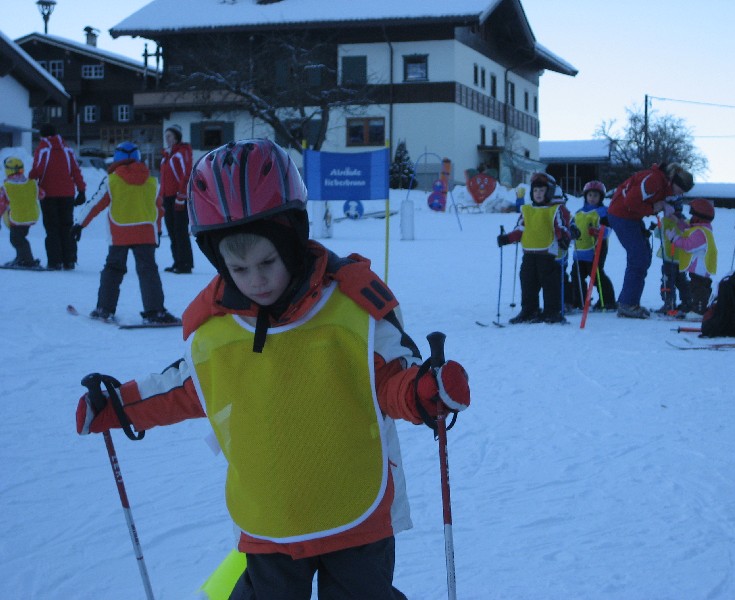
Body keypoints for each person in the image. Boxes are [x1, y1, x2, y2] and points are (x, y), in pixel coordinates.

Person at [74, 138, 471, 599]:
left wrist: (422, 392)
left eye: (267, 261)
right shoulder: (218, 331)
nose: (256, 280)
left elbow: (390, 379)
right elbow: (185, 387)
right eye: (238, 268)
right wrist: (120, 406)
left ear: (293, 241)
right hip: (270, 514)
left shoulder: (351, 309)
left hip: (355, 506)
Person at [72, 142, 179, 325]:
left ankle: (104, 309)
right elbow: (158, 210)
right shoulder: (152, 181)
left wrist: (79, 224)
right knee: (148, 271)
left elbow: (95, 204)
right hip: (146, 233)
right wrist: (158, 232)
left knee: (113, 269)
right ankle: (156, 311)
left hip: (120, 232)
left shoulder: (111, 180)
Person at [607, 162, 694, 319]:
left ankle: (630, 302)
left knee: (644, 256)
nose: (680, 194)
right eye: (680, 190)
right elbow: (630, 201)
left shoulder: (664, 184)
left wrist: (677, 219)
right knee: (639, 258)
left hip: (631, 217)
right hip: (621, 215)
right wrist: (652, 208)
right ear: (674, 181)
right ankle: (627, 304)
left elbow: (665, 206)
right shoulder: (654, 180)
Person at [498, 172, 571, 323]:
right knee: (528, 282)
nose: (538, 193)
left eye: (542, 190)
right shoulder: (527, 210)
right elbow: (520, 230)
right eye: (535, 190)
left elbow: (560, 227)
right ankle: (529, 310)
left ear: (548, 192)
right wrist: (507, 239)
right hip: (529, 254)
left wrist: (563, 238)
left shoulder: (554, 210)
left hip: (547, 254)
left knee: (550, 284)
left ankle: (552, 311)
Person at [28, 123, 86, 270]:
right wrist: (81, 190)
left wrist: (29, 178)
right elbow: (75, 170)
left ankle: (55, 261)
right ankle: (69, 260)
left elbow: (37, 170)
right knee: (67, 226)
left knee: (52, 227)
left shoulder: (42, 149)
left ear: (42, 135)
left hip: (49, 195)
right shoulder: (67, 149)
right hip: (67, 194)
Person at [664, 198, 718, 316]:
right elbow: (687, 227)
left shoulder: (700, 233)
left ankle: (699, 310)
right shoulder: (701, 228)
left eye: (693, 215)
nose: (691, 218)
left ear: (699, 217)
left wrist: (674, 239)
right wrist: (677, 220)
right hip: (699, 268)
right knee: (697, 287)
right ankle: (698, 307)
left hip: (700, 269)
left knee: (698, 289)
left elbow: (688, 245)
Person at [569, 180, 616, 311]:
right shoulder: (579, 213)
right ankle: (579, 301)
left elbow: (607, 230)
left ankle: (607, 300)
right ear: (585, 196)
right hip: (579, 250)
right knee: (576, 276)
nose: (592, 198)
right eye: (590, 195)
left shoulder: (603, 212)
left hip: (596, 249)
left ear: (601, 197)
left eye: (595, 195)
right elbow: (571, 226)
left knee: (596, 275)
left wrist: (597, 231)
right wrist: (571, 233)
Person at [160, 124, 194, 274]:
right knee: (172, 230)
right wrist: (161, 197)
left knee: (180, 231)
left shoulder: (181, 153)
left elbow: (187, 174)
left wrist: (181, 196)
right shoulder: (166, 156)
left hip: (179, 197)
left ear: (176, 137)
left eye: (169, 136)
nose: (167, 139)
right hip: (167, 198)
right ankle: (177, 261)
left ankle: (185, 264)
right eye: (166, 136)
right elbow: (164, 179)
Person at [0, 155, 43, 268]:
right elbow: (41, 194)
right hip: (31, 216)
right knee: (20, 238)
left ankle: (28, 260)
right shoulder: (31, 183)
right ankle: (21, 258)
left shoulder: (6, 187)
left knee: (17, 239)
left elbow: (1, 205)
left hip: (17, 218)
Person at [653, 198, 690, 314]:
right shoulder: (684, 222)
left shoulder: (668, 222)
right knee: (681, 280)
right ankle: (686, 302)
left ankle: (670, 303)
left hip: (670, 258)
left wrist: (657, 228)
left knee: (668, 280)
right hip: (680, 259)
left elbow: (658, 233)